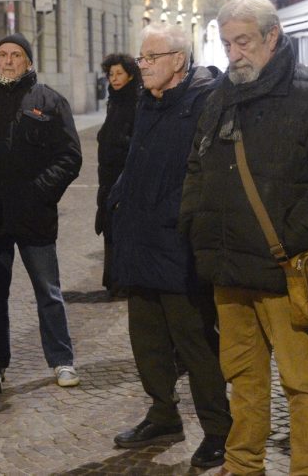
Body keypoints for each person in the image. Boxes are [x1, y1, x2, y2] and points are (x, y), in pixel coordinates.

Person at [179, 0, 308, 476]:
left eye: (244, 42)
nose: (234, 53)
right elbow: (197, 166)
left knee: (303, 383)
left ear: (272, 37)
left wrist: (291, 240)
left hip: (285, 269)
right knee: (242, 379)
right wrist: (196, 228)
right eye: (227, 42)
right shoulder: (220, 96)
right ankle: (242, 465)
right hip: (229, 268)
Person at [107, 25, 230, 469]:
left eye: (151, 57)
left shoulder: (204, 102)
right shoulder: (147, 101)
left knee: (195, 343)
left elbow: (204, 175)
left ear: (178, 60)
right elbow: (137, 161)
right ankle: (163, 414)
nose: (142, 66)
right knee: (147, 342)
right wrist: (116, 200)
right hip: (140, 241)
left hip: (177, 245)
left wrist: (178, 217)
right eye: (141, 58)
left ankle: (219, 429)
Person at [0, 33, 82, 390]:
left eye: (15, 55)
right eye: (2, 54)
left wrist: (40, 192)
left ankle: (62, 360)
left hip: (34, 216)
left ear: (28, 62)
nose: (7, 61)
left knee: (48, 291)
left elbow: (70, 157)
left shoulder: (50, 101)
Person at [95, 52, 139, 293]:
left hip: (124, 179)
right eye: (111, 74)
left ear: (130, 74)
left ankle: (124, 280)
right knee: (110, 229)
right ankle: (114, 279)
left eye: (119, 73)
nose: (114, 78)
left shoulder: (137, 101)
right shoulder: (114, 102)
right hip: (107, 179)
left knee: (123, 229)